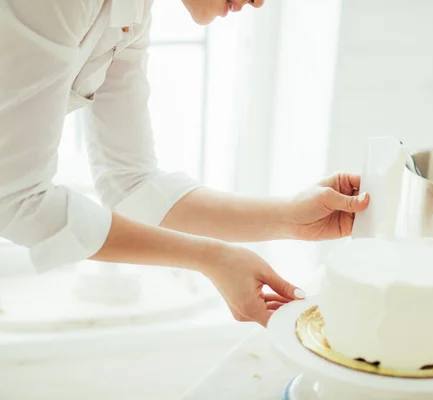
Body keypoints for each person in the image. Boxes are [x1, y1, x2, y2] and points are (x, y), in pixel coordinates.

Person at [0, 0, 370, 327]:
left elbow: (132, 184)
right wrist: (211, 257)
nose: (259, 3)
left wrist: (291, 218)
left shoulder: (132, 15)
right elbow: (17, 199)